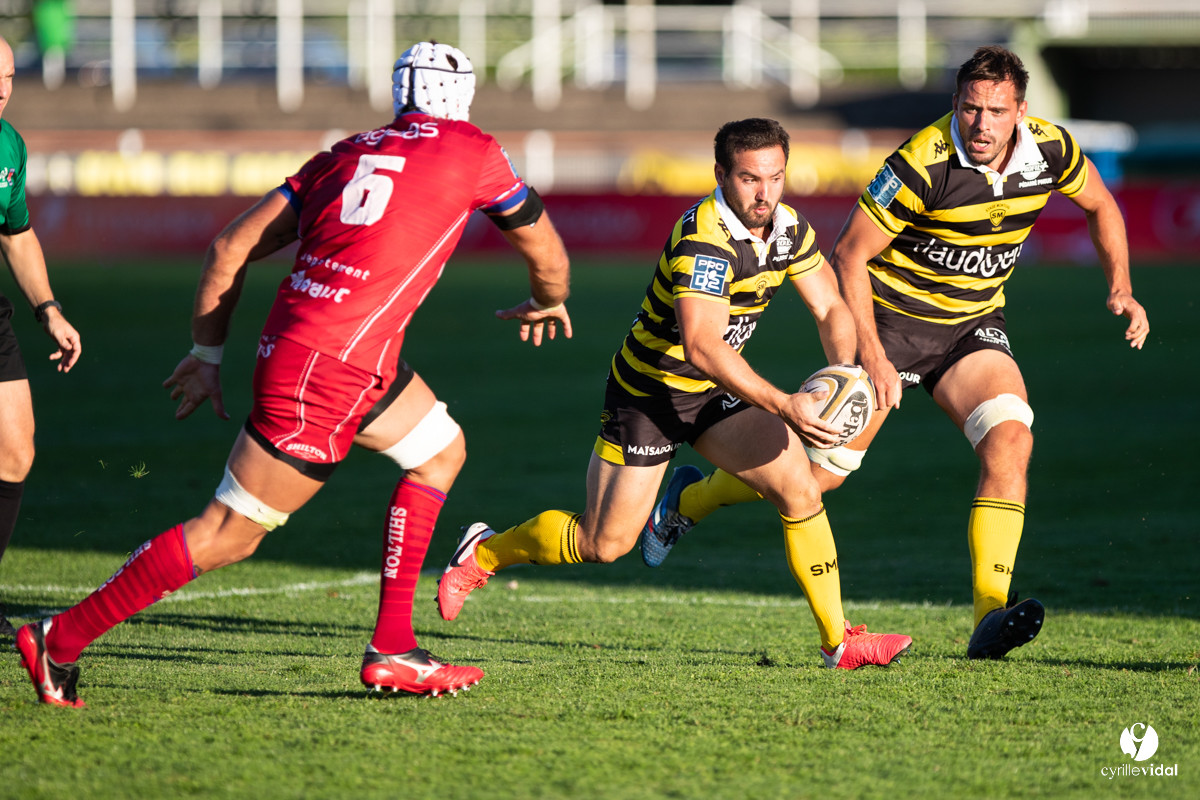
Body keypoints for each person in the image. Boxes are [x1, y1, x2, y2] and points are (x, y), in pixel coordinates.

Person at [14, 41, 572, 707]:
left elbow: (230, 247)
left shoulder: (342, 155)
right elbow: (542, 245)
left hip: (326, 354)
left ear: (399, 92)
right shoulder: (475, 150)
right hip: (329, 369)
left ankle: (393, 648)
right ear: (466, 95)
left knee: (439, 451)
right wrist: (549, 298)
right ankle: (61, 638)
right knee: (228, 534)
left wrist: (207, 355)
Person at [640, 46, 1150, 661]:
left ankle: (990, 617)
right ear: (955, 105)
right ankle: (685, 501)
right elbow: (849, 254)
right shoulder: (920, 164)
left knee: (1011, 439)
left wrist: (1120, 286)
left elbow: (1100, 204)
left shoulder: (1052, 150)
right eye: (969, 108)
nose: (981, 123)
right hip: (891, 326)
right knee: (812, 480)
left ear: (1021, 111)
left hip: (971, 327)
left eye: (995, 110)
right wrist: (875, 358)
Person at [437, 118, 912, 670]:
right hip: (651, 396)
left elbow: (831, 305)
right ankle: (485, 551)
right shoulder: (704, 241)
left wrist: (842, 373)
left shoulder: (787, 228)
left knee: (801, 492)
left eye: (776, 177)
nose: (765, 193)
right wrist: (785, 404)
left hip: (718, 392)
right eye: (750, 179)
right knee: (602, 543)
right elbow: (704, 347)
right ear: (721, 175)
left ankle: (839, 642)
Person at [0, 34, 82, 639]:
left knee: (16, 449)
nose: (1, 91)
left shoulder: (9, 146)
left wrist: (48, 308)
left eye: (7, 78)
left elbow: (16, 233)